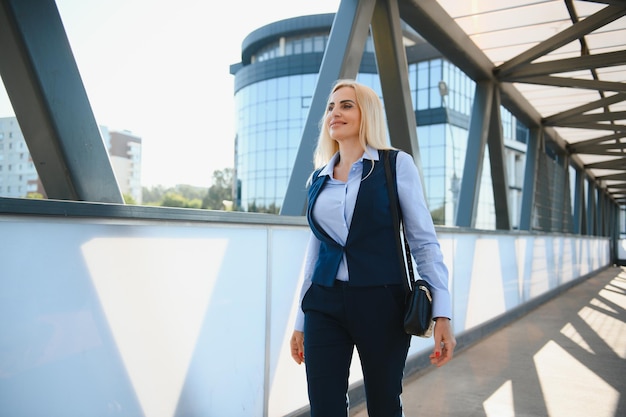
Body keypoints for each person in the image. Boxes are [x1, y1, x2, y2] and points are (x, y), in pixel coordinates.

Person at [289, 79, 456, 417]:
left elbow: (423, 242)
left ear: (367, 113)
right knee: (324, 408)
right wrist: (301, 319)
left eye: (346, 105)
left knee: (384, 406)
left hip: (382, 302)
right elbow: (315, 251)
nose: (335, 112)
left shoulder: (395, 166)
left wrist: (442, 312)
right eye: (331, 107)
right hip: (324, 303)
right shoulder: (318, 178)